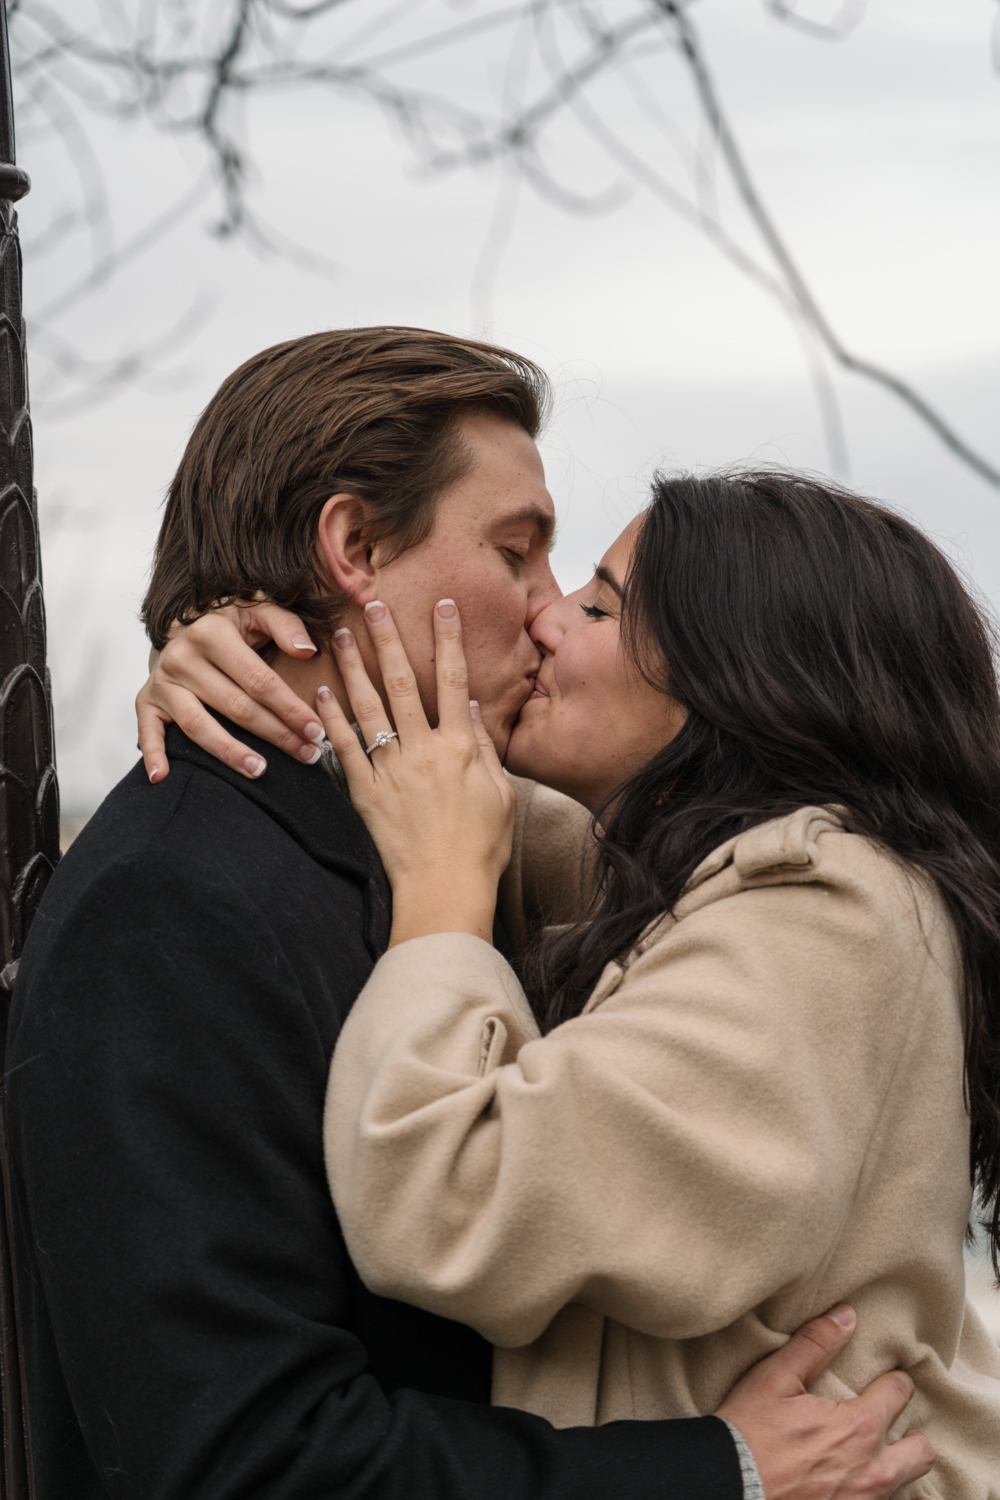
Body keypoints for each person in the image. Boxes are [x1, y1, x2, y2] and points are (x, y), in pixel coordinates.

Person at [4, 328, 929, 1500]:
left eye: (579, 590)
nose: (547, 614)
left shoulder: (435, 847)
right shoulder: (173, 902)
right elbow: (235, 1458)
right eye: (518, 553)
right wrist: (717, 1470)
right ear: (352, 546)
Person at [140, 468, 1000, 1493]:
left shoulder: (819, 915)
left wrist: (443, 894)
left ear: (743, 673)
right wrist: (251, 665)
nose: (546, 617)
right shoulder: (728, 888)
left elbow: (452, 1202)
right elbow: (442, 784)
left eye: (597, 604)